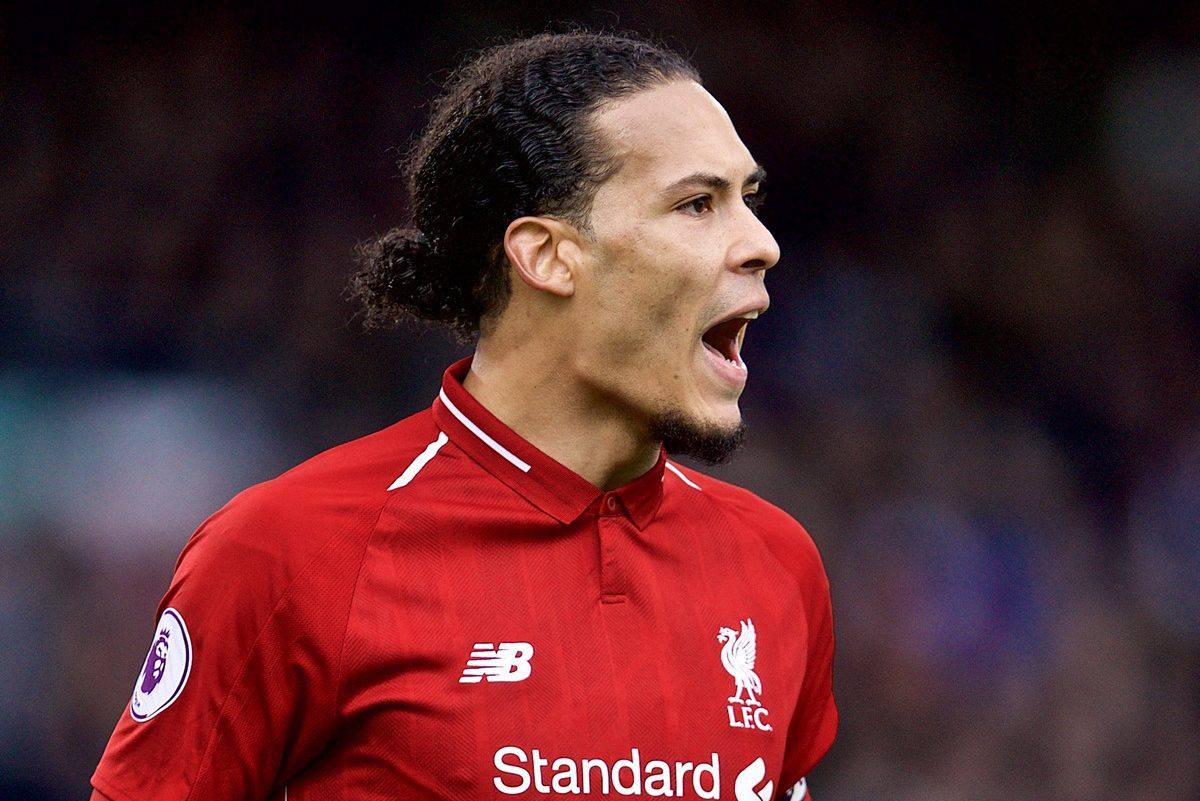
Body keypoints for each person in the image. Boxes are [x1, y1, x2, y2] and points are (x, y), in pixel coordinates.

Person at [91, 28, 837, 801]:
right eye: (696, 204)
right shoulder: (289, 554)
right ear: (547, 255)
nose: (762, 245)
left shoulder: (776, 564)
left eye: (747, 201)